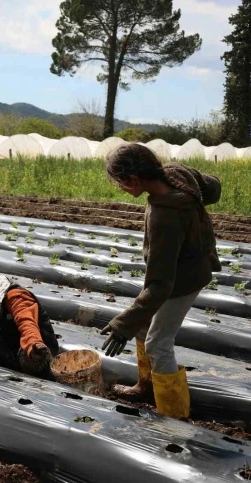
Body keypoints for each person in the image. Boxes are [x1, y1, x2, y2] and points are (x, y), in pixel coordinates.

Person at [100, 143, 221, 419]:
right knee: (144, 325)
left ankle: (175, 415)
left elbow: (162, 285)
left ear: (133, 180)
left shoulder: (164, 216)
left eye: (120, 183)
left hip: (183, 281)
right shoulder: (176, 173)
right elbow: (213, 186)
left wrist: (122, 326)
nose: (120, 188)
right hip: (187, 268)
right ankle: (146, 387)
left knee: (158, 342)